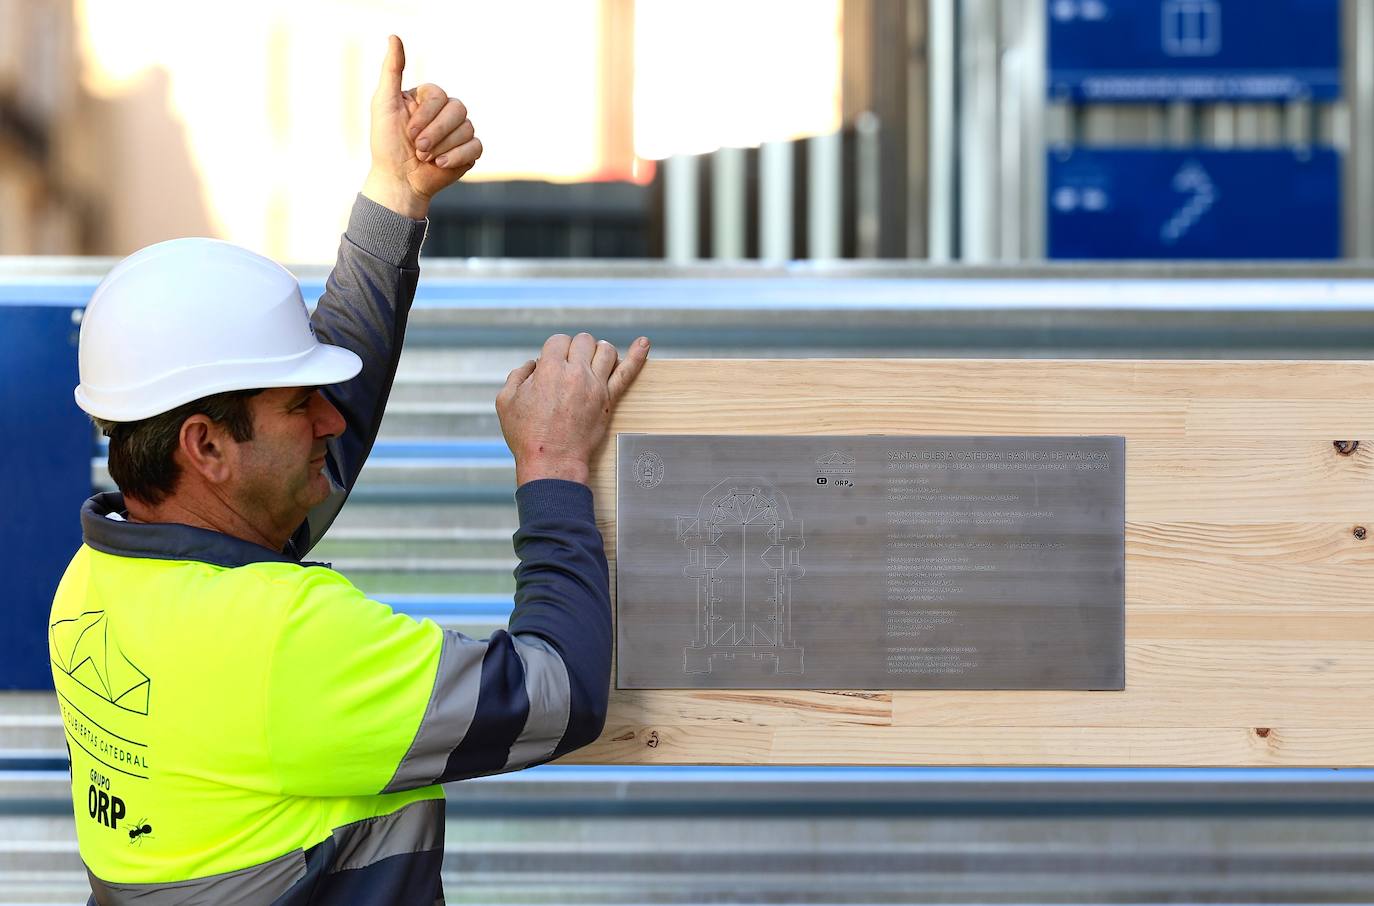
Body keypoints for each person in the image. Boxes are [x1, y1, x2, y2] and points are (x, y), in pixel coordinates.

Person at [48, 35, 649, 904]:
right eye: (302, 405)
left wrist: (395, 197)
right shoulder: (283, 648)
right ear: (205, 448)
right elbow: (561, 691)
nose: (331, 422)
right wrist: (553, 463)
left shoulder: (101, 585)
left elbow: (313, 444)